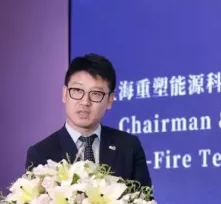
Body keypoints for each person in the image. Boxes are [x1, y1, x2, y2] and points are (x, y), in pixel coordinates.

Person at [25, 53, 153, 191]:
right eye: (77, 90)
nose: (85, 102)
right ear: (64, 94)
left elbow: (144, 200)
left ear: (110, 100)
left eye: (96, 94)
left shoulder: (128, 147)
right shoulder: (41, 153)